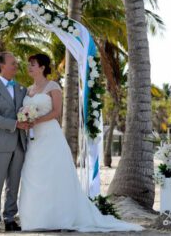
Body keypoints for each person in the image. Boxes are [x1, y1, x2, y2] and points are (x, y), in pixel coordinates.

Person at [18, 53, 144, 232]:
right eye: (29, 64)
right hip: (33, 138)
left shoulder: (52, 86)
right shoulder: (28, 89)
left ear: (42, 67)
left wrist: (36, 120)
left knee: (54, 176)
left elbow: (56, 112)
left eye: (32, 64)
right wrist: (25, 119)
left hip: (50, 136)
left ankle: (58, 217)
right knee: (33, 175)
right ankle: (36, 219)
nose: (29, 67)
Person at [0, 52, 29, 233]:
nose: (16, 66)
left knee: (14, 184)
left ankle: (10, 219)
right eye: (13, 63)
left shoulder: (22, 89)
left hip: (19, 143)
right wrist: (17, 124)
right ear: (2, 66)